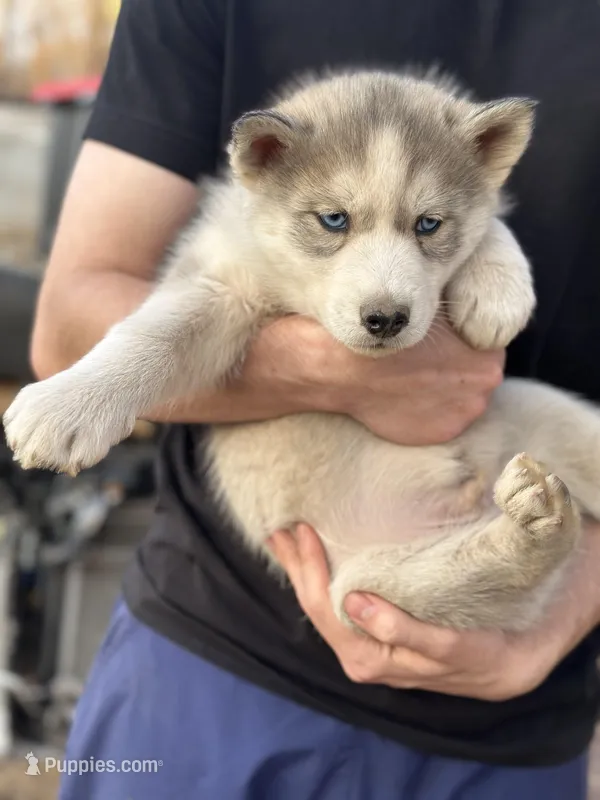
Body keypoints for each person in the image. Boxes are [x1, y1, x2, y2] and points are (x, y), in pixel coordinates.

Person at [32, 1, 600, 798]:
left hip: (521, 725)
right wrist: (347, 377)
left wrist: (572, 604)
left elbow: (468, 214)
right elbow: (85, 326)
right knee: (373, 584)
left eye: (425, 227)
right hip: (220, 664)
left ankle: (515, 558)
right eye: (335, 220)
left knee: (550, 428)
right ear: (263, 161)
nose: (386, 292)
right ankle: (500, 561)